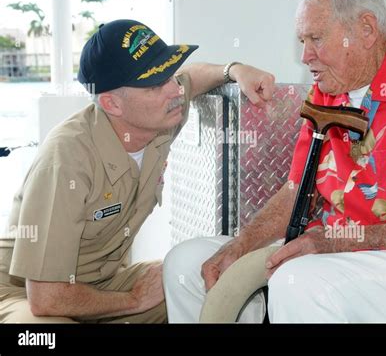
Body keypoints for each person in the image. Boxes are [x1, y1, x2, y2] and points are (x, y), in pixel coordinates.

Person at [164, 0, 386, 323]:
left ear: (367, 30)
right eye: (302, 40)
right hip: (327, 241)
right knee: (187, 263)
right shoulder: (327, 89)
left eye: (316, 38)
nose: (305, 55)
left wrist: (339, 242)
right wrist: (242, 242)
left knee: (300, 284)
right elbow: (297, 191)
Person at [0, 19, 275, 323]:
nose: (174, 91)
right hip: (25, 294)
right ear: (112, 104)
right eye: (156, 84)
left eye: (169, 75)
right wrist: (133, 300)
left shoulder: (156, 116)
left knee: (205, 284)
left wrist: (234, 70)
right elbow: (46, 298)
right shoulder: (65, 160)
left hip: (104, 282)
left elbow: (192, 79)